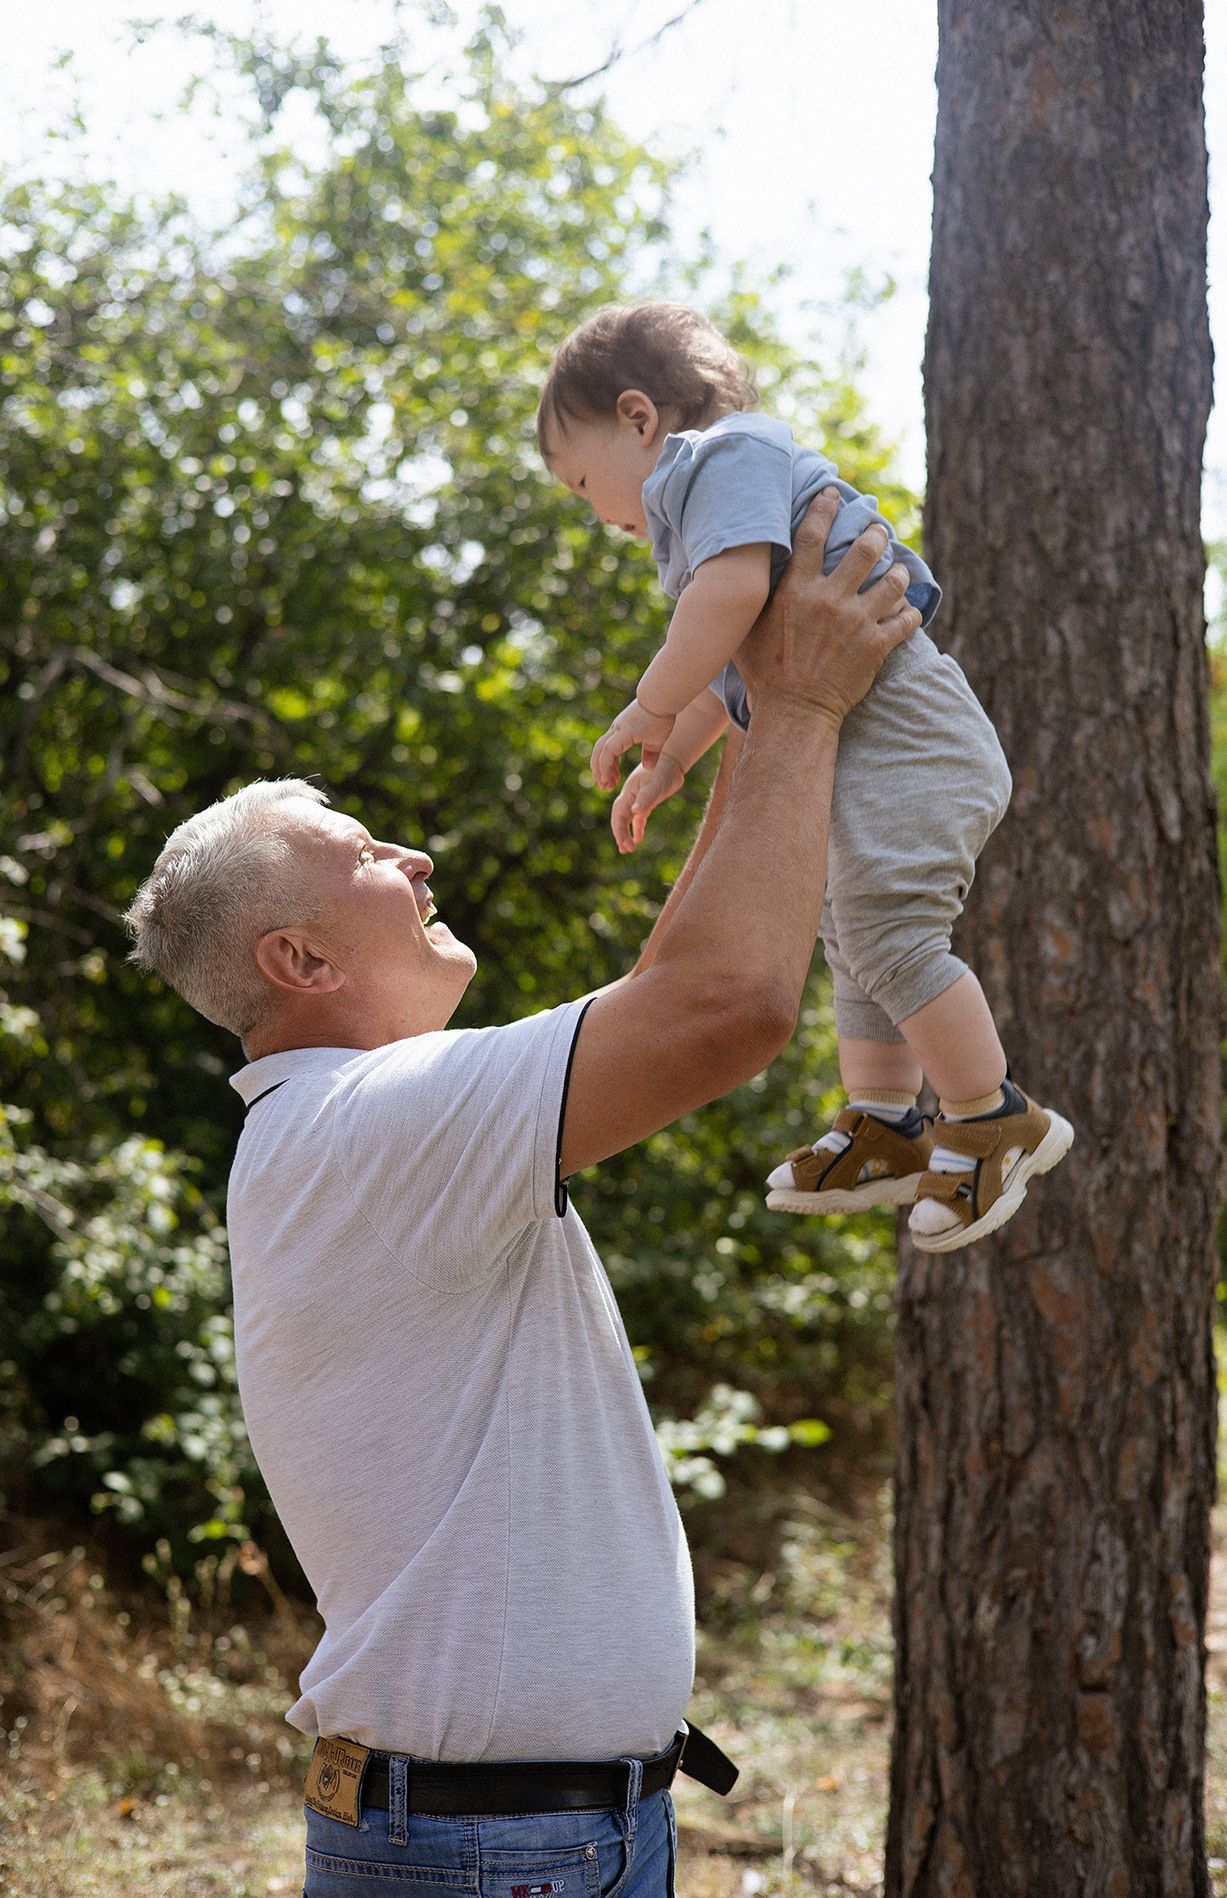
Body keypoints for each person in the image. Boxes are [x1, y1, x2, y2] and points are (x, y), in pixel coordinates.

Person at [123, 498, 918, 1898]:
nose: (414, 857)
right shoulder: (365, 1125)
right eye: (367, 851)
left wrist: (734, 714)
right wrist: (793, 702)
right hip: (502, 1851)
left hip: (525, 1839)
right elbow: (719, 1007)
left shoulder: (354, 1133)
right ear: (298, 957)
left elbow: (677, 983)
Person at [537, 302, 1073, 1250]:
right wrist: (671, 759)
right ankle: (888, 1122)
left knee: (889, 930)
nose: (596, 514)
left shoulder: (723, 458)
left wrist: (648, 705)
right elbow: (737, 668)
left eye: (583, 481)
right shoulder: (707, 510)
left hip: (912, 742)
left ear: (637, 417)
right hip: (878, 751)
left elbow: (733, 600)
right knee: (849, 929)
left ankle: (992, 1115)